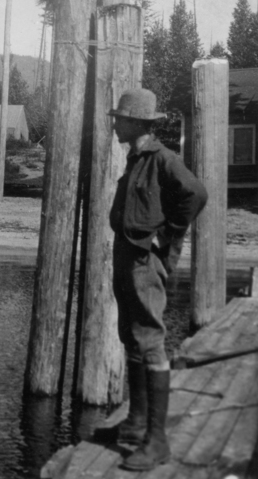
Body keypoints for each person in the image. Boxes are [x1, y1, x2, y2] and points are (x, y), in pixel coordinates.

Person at [108, 88, 208, 471]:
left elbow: (195, 194)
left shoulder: (163, 160)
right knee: (132, 336)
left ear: (136, 123)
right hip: (127, 258)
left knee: (150, 341)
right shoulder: (135, 159)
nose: (115, 123)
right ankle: (135, 425)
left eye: (120, 118)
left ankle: (158, 441)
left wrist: (167, 235)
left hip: (145, 263)